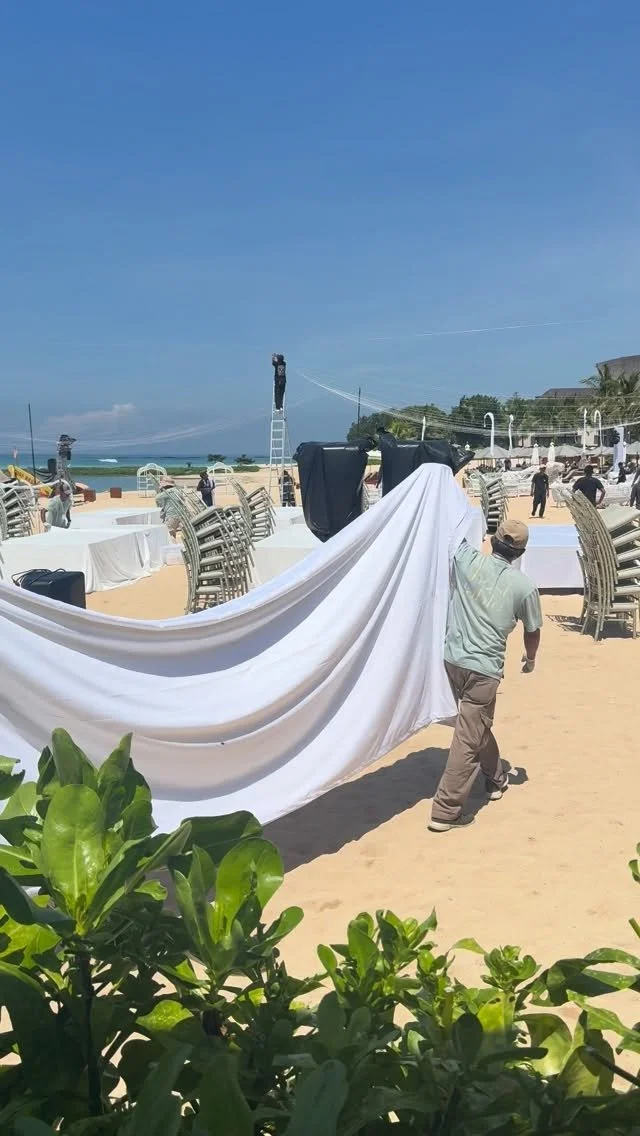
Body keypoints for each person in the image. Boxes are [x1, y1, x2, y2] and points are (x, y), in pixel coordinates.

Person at [429, 520, 543, 833]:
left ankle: (495, 779)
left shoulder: (466, 559)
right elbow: (533, 631)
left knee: (476, 725)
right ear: (521, 552)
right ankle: (445, 811)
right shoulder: (525, 587)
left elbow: (450, 531)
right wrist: (530, 659)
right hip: (483, 672)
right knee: (468, 737)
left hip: (452, 660)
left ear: (493, 541)